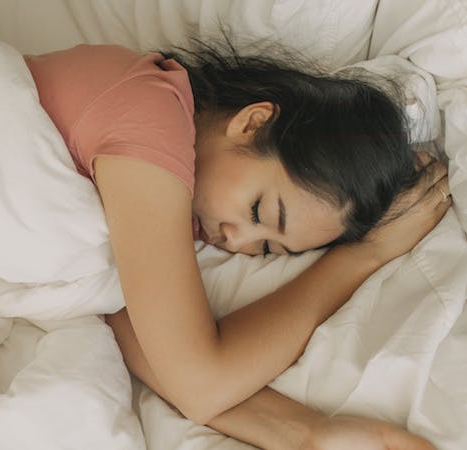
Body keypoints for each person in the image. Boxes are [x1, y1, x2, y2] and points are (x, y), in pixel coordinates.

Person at [24, 36, 449, 450]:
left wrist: (307, 434)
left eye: (267, 250)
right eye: (260, 211)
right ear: (252, 122)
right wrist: (363, 257)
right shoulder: (147, 115)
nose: (238, 240)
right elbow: (199, 382)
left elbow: (142, 339)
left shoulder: (174, 199)